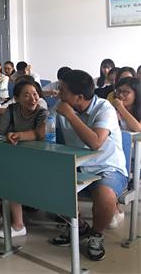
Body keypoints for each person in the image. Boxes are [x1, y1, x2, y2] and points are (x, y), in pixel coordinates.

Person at [50, 70, 127, 261]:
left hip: (108, 168)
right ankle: (79, 227)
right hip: (77, 165)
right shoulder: (61, 106)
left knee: (105, 195)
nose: (58, 93)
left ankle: (96, 234)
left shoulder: (104, 108)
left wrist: (70, 115)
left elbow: (95, 142)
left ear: (79, 97)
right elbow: (46, 130)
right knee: (49, 183)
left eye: (63, 90)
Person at [0, 80, 48, 237]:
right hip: (14, 154)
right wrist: (7, 138)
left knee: (11, 176)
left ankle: (18, 225)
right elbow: (0, 132)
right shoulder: (12, 109)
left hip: (35, 158)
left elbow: (41, 134)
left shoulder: (42, 113)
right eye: (27, 95)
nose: (33, 99)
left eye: (35, 94)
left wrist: (18, 135)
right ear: (16, 98)